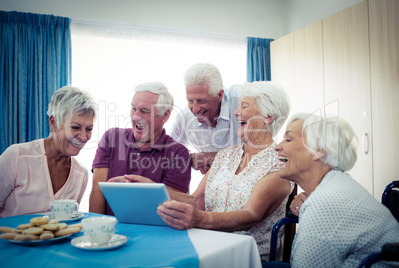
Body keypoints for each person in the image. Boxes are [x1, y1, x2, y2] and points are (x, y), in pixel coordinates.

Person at [155, 81, 294, 261]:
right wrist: (154, 189)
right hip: (208, 247)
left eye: (244, 106)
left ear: (268, 116)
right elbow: (195, 200)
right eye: (238, 106)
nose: (236, 112)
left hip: (246, 257)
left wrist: (200, 220)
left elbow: (251, 215)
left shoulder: (280, 164)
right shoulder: (224, 156)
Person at [274, 113, 399, 267]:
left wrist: (313, 209)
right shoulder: (335, 187)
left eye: (288, 139)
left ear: (319, 150)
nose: (277, 146)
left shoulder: (324, 204)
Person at [89, 82, 191, 215]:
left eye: (144, 111)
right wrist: (97, 231)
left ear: (165, 115)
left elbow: (171, 209)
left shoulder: (178, 154)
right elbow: (98, 192)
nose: (135, 116)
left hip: (154, 232)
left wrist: (148, 188)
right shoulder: (111, 138)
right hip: (110, 230)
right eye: (133, 108)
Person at [0, 86, 96, 218]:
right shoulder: (17, 157)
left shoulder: (81, 175)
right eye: (75, 127)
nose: (84, 137)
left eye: (89, 129)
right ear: (53, 123)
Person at [170, 63, 241, 174]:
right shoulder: (184, 118)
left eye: (201, 101)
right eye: (190, 101)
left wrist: (211, 158)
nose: (195, 109)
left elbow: (260, 154)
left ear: (219, 95)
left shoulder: (242, 102)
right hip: (214, 186)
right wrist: (190, 159)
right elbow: (172, 154)